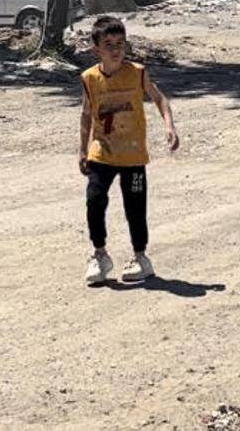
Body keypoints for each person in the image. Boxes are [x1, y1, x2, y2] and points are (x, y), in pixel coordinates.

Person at [79, 16, 179, 286]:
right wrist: (82, 150)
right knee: (94, 200)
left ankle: (140, 257)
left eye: (120, 43)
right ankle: (99, 255)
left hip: (133, 155)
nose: (115, 49)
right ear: (96, 48)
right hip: (102, 151)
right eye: (108, 44)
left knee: (135, 207)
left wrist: (169, 126)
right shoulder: (90, 78)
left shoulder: (137, 73)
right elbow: (87, 115)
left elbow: (159, 98)